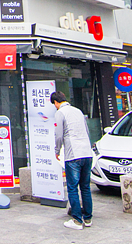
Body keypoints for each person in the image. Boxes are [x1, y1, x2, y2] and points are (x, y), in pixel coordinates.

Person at [51, 91, 93, 230]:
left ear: (56, 102)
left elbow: (58, 135)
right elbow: (87, 131)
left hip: (73, 154)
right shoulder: (78, 111)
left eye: (54, 104)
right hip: (87, 153)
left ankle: (77, 220)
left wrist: (57, 150)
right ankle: (88, 218)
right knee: (85, 187)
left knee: (72, 188)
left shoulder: (60, 113)